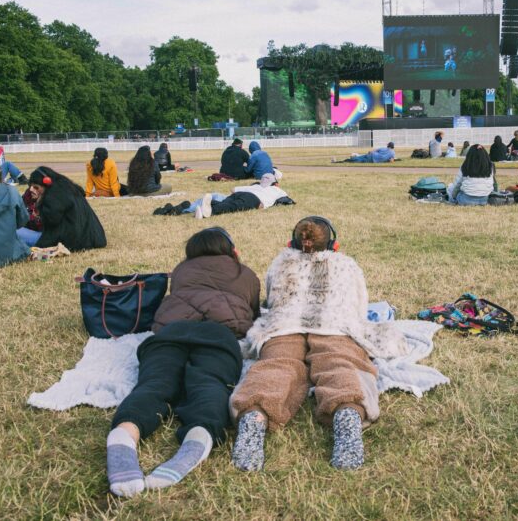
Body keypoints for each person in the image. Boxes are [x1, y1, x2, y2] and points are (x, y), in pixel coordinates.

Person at [229, 217, 407, 472]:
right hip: (336, 325)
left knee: (276, 365)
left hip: (283, 325)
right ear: (332, 243)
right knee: (340, 363)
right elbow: (359, 307)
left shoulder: (281, 262)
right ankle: (347, 411)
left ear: (293, 241)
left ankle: (254, 415)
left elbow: (272, 301)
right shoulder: (347, 264)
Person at [106, 227, 260, 497]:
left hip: (171, 331)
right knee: (209, 384)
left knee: (155, 384)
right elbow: (254, 315)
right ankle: (199, 435)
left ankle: (124, 432)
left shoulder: (181, 270)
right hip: (218, 335)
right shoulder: (245, 273)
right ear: (231, 250)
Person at [24, 167, 107, 251]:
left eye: (36, 187)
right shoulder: (66, 187)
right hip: (91, 240)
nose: (31, 190)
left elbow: (51, 220)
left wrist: (39, 207)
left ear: (47, 183)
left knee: (15, 232)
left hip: (67, 242)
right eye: (31, 186)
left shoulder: (53, 195)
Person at [194, 173, 288, 219]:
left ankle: (209, 204)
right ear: (275, 184)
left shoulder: (256, 186)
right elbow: (286, 198)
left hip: (239, 193)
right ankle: (210, 211)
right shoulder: (277, 190)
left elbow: (233, 189)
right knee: (232, 206)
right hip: (254, 199)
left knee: (226, 203)